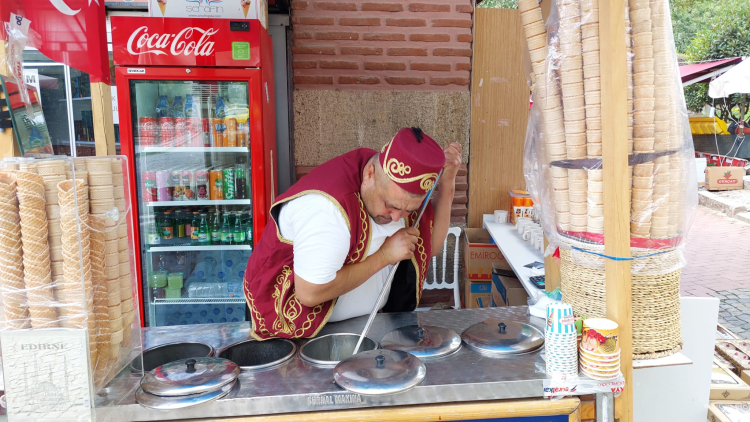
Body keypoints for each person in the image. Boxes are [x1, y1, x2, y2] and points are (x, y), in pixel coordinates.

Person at [243, 127, 462, 340]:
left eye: (408, 211)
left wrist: (448, 183)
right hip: (302, 333)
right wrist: (384, 256)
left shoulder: (399, 191)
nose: (396, 217)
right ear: (369, 174)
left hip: (369, 324)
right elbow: (310, 293)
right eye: (390, 205)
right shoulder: (327, 208)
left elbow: (430, 246)